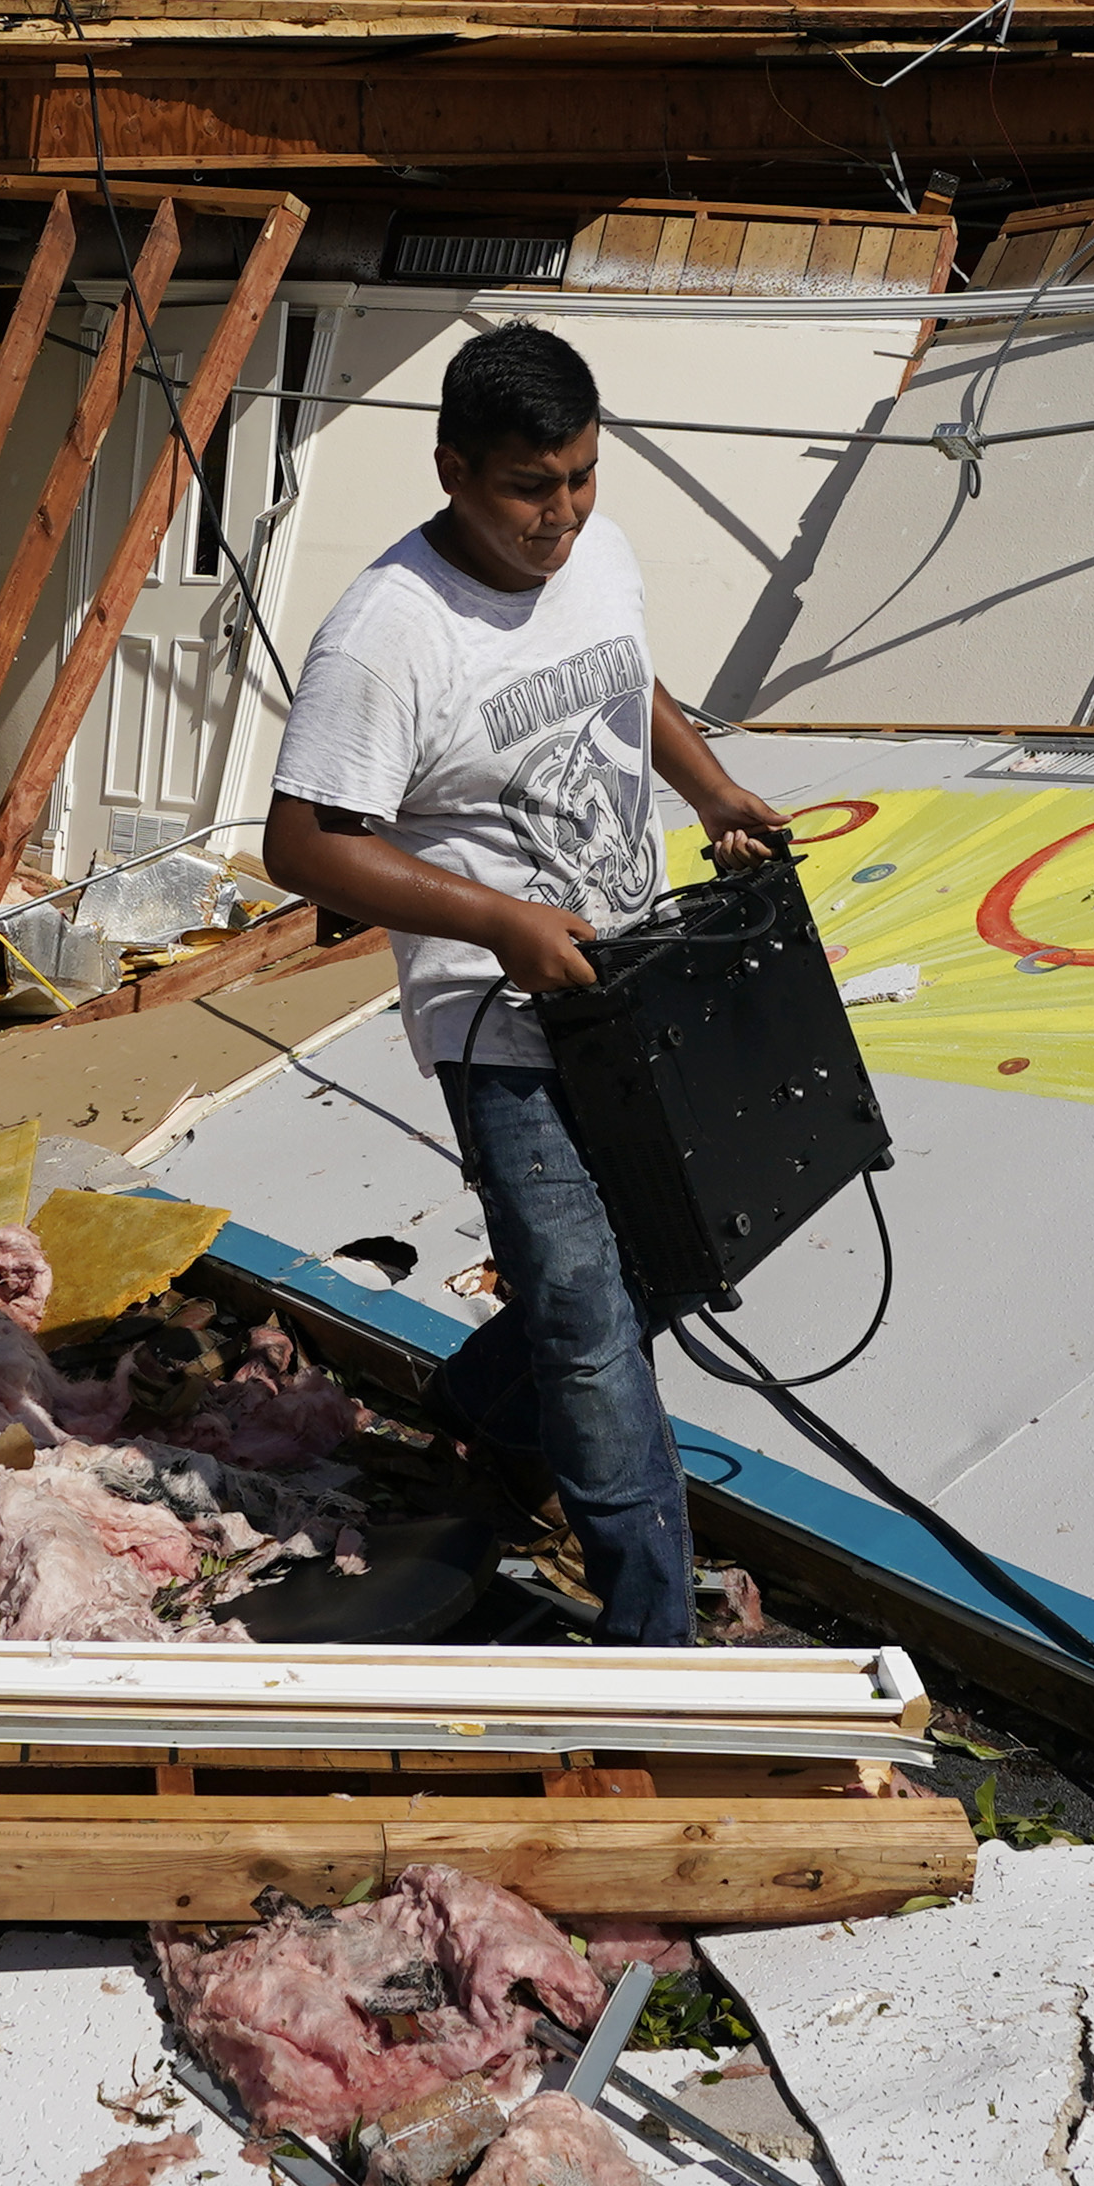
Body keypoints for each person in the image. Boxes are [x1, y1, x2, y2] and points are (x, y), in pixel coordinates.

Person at [262, 322, 789, 1644]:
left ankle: (488, 1412)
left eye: (580, 480)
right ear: (452, 471)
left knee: (680, 1255)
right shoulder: (386, 636)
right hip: (502, 1014)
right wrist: (497, 921)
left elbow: (620, 674)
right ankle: (651, 1643)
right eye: (526, 490)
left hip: (633, 978)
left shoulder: (593, 555)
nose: (559, 519)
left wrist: (714, 788)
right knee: (585, 1312)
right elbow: (304, 842)